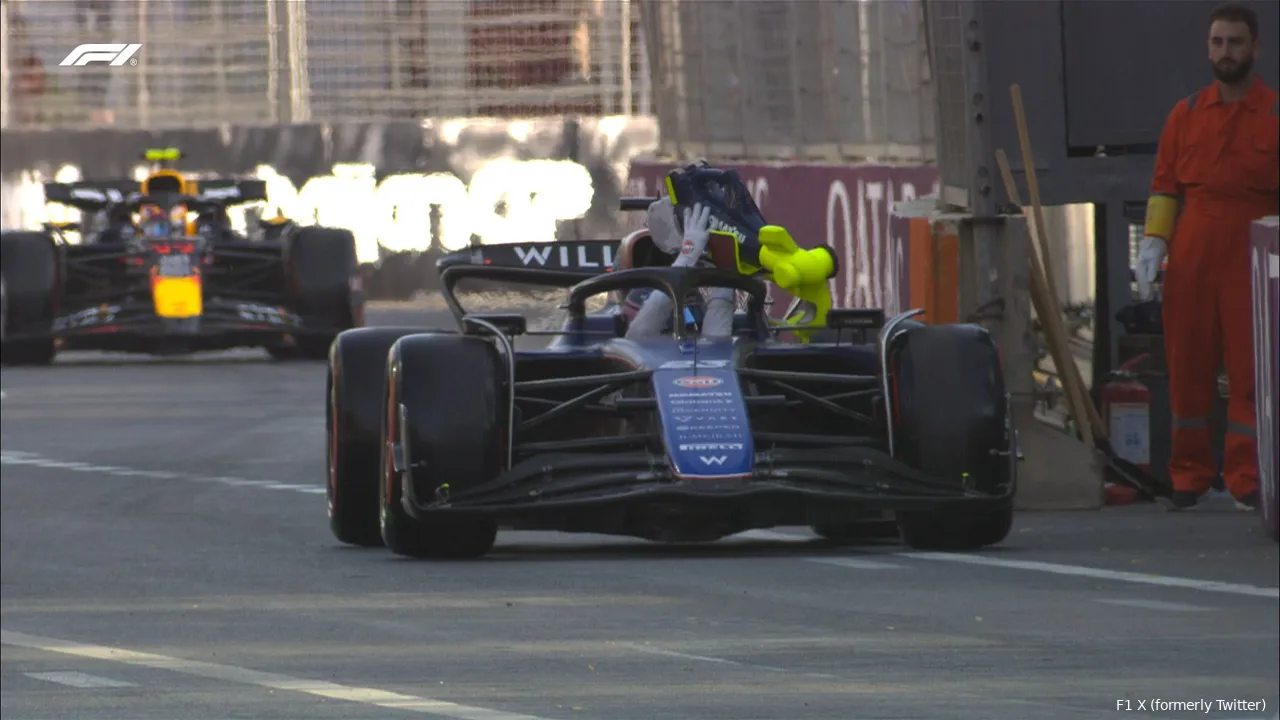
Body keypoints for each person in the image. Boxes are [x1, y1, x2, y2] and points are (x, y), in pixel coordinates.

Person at [1137, 2, 1278, 511]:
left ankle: (1247, 476)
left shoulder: (1275, 115)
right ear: (1208, 48)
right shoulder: (1186, 113)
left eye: (1235, 42)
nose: (1226, 52)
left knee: (1250, 370)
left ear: (1255, 49)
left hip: (1253, 247)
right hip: (1193, 246)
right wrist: (1154, 242)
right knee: (1186, 363)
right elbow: (1164, 188)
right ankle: (1188, 474)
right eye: (1217, 42)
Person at [623, 198, 735, 339]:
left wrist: (725, 275)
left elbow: (714, 351)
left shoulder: (694, 296)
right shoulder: (642, 293)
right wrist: (686, 257)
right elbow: (635, 340)